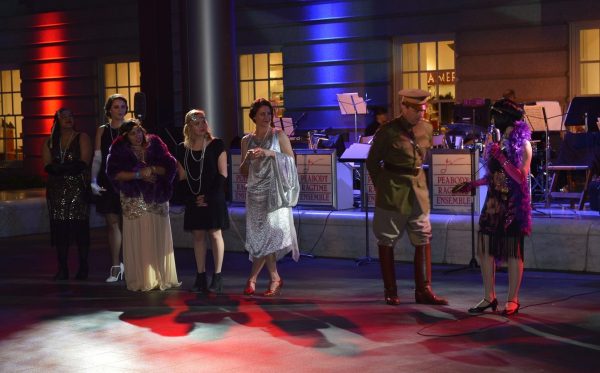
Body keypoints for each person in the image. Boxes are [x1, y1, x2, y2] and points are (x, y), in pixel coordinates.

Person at [366, 88, 448, 306]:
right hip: (392, 190)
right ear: (404, 107)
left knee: (423, 236)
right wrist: (382, 187)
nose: (421, 114)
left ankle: (424, 290)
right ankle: (390, 291)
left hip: (418, 189)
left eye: (423, 109)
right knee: (387, 238)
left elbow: (422, 157)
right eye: (416, 110)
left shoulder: (427, 128)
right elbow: (372, 163)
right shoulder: (387, 131)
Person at [452, 120, 532, 316]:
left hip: (512, 205)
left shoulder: (524, 145)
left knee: (513, 252)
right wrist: (473, 184)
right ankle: (489, 297)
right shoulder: (499, 143)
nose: (500, 130)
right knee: (485, 251)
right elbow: (494, 176)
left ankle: (513, 299)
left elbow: (521, 177)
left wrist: (501, 158)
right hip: (493, 203)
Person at [106, 119, 180, 291]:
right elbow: (114, 174)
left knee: (157, 234)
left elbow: (170, 167)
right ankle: (142, 278)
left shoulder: (155, 144)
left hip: (157, 198)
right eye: (133, 133)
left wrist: (152, 170)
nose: (138, 135)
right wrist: (139, 175)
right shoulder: (118, 149)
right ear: (125, 136)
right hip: (134, 199)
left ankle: (160, 276)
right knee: (140, 235)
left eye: (139, 131)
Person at [239, 98, 300, 296]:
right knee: (260, 238)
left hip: (274, 193)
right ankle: (275, 277)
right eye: (262, 114)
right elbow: (243, 172)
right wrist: (248, 159)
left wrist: (269, 153)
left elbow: (291, 161)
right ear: (254, 117)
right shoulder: (246, 140)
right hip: (254, 193)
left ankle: (253, 278)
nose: (267, 117)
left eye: (269, 113)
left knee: (269, 236)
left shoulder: (278, 135)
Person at [175, 109, 229, 294]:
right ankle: (200, 277)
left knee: (215, 234)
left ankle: (218, 276)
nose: (202, 125)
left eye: (203, 121)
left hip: (213, 197)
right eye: (196, 122)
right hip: (194, 198)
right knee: (198, 236)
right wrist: (192, 198)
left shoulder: (217, 144)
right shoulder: (182, 149)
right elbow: (182, 177)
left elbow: (223, 174)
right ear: (188, 126)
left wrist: (207, 196)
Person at [42, 108, 92, 280]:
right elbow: (47, 164)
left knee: (79, 228)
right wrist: (57, 169)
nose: (68, 119)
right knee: (60, 229)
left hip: (77, 188)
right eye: (64, 117)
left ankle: (83, 267)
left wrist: (63, 168)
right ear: (57, 120)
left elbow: (84, 161)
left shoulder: (82, 137)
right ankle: (62, 268)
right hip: (56, 191)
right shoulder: (50, 141)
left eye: (71, 116)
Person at [91, 94, 128, 282]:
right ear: (109, 110)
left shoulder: (132, 128)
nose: (120, 110)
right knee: (112, 224)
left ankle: (129, 264)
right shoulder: (102, 130)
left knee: (129, 225)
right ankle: (115, 266)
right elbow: (97, 157)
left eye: (123, 106)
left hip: (129, 181)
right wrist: (93, 180)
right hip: (108, 181)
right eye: (116, 107)